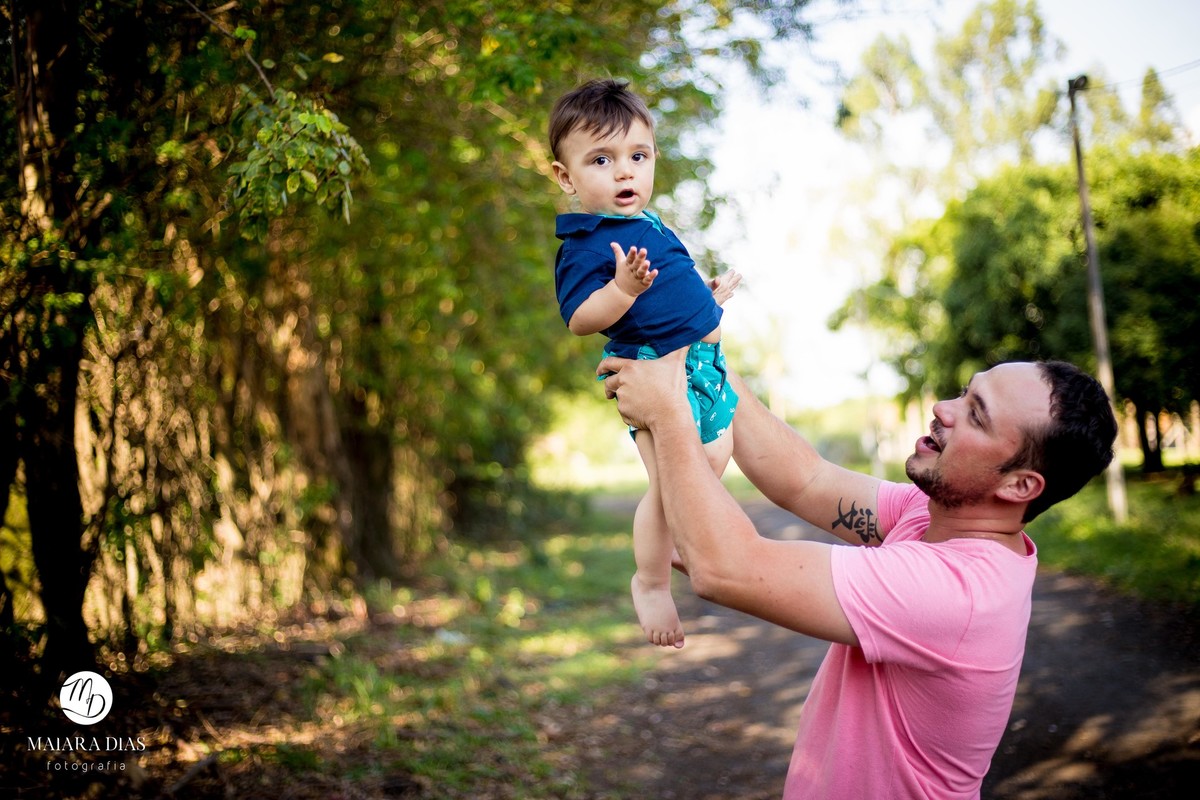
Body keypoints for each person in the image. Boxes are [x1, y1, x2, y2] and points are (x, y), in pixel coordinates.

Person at [597, 349, 1117, 799]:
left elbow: (726, 569)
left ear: (1021, 486)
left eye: (976, 416)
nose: (943, 409)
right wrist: (698, 349)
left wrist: (668, 413)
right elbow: (805, 479)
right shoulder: (934, 514)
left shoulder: (959, 594)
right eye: (965, 392)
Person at [549, 78, 742, 649]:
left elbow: (669, 293)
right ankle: (651, 580)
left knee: (713, 455)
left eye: (638, 156)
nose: (625, 171)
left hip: (700, 363)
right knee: (667, 481)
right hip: (655, 373)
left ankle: (679, 531)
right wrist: (623, 289)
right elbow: (582, 317)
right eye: (602, 159)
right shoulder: (584, 242)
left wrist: (705, 297)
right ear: (566, 177)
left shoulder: (648, 223)